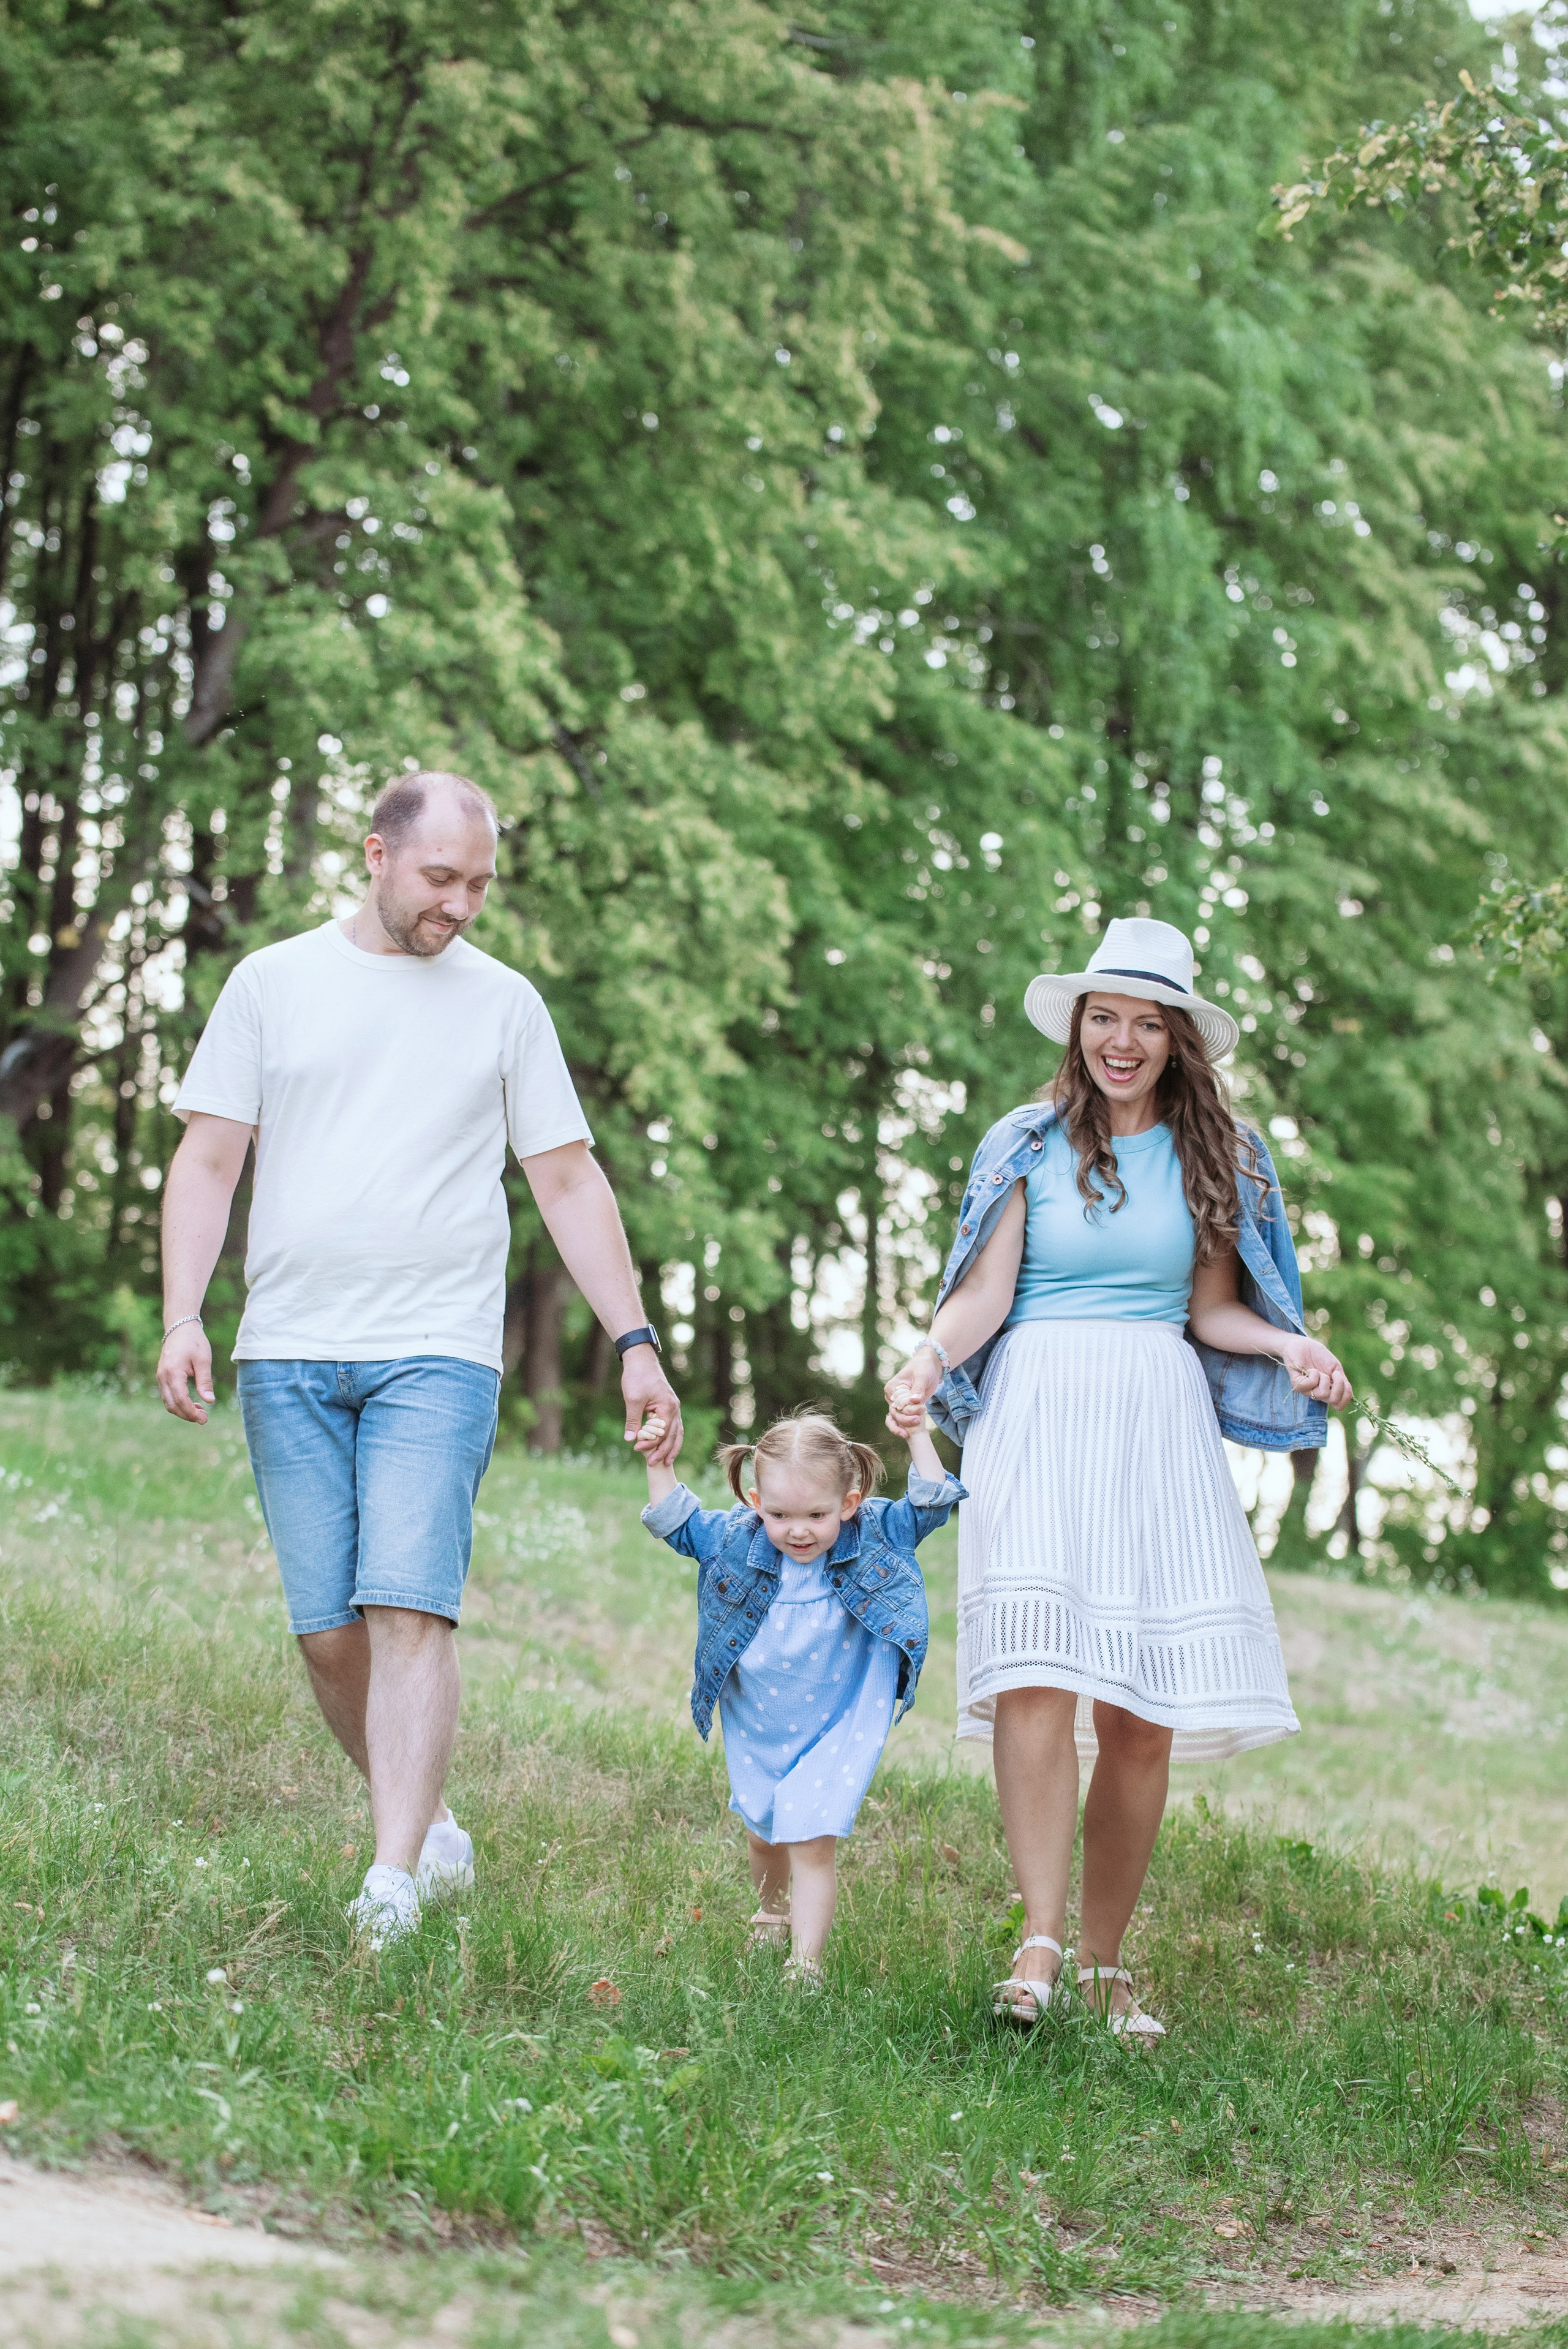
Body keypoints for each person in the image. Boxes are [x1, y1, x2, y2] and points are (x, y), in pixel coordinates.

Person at [157, 769, 680, 1948]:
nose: (461, 905)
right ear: (375, 855)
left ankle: (389, 1882)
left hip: (437, 1351)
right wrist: (184, 1312)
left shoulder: (505, 1005)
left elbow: (565, 1177)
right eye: (442, 878)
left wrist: (635, 1342)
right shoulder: (272, 983)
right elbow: (207, 1160)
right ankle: (431, 1823)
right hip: (288, 1345)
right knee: (325, 1630)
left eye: (480, 884)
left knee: (408, 1608)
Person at [884, 916, 1351, 2035]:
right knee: (1039, 1676)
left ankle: (1104, 1958)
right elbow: (987, 1292)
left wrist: (1286, 1344)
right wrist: (928, 1353)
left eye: (1147, 1022)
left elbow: (1210, 1309)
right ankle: (1038, 1944)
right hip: (1040, 1411)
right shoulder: (1029, 1141)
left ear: (1179, 1037)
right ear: (1080, 1025)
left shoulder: (1222, 1157)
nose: (1123, 1041)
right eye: (1106, 1018)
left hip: (1156, 1420)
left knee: (1141, 1709)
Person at [636, 1409, 964, 1977]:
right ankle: (771, 1912)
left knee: (811, 1837)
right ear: (757, 1501)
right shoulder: (736, 1539)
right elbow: (677, 1524)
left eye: (816, 1513)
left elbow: (933, 1502)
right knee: (764, 1831)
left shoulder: (875, 1533)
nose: (798, 1530)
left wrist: (915, 1433)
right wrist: (658, 1463)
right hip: (759, 1715)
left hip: (840, 1717)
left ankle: (805, 1965)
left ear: (849, 1502)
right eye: (780, 1514)